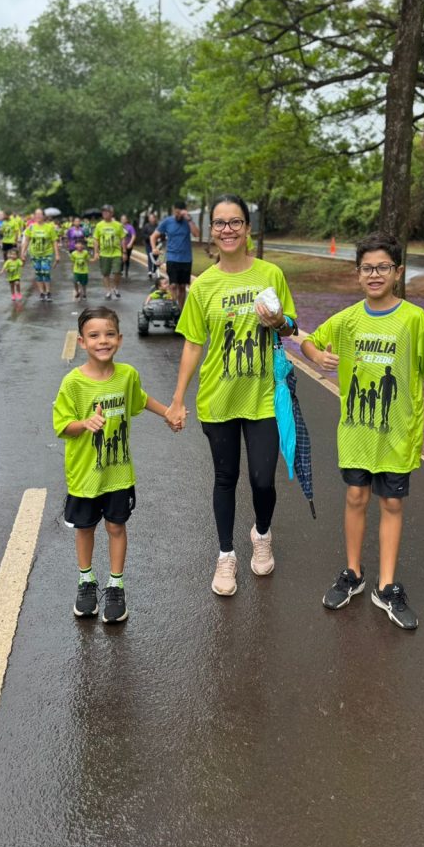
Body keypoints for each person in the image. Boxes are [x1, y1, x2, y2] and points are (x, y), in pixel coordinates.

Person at [301, 232, 424, 630]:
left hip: (397, 433)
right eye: (367, 267)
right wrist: (318, 354)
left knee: (391, 504)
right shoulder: (349, 318)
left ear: (398, 272)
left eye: (383, 267)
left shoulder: (413, 319)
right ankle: (353, 572)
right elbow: (309, 344)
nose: (374, 274)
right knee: (355, 496)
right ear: (357, 274)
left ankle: (386, 586)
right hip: (355, 432)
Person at [166, 193, 297, 598]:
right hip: (219, 399)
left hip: (262, 397)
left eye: (235, 222)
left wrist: (279, 321)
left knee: (262, 479)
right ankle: (226, 555)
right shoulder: (203, 286)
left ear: (247, 229)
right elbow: (191, 344)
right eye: (220, 223)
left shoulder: (271, 274)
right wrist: (177, 399)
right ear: (212, 232)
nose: (227, 229)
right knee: (226, 477)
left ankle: (261, 533)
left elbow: (290, 326)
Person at [52, 306, 178, 623]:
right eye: (94, 335)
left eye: (109, 334)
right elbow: (61, 425)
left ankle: (115, 584)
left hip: (118, 473)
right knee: (85, 527)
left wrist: (168, 412)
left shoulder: (127, 376)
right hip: (84, 476)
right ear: (82, 342)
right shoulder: (73, 384)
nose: (102, 341)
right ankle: (86, 581)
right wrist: (84, 423)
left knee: (116, 526)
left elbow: (141, 399)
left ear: (119, 339)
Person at [152, 200, 200, 310]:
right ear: (174, 211)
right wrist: (154, 248)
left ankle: (180, 311)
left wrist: (189, 220)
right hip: (172, 258)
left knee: (182, 286)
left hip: (186, 259)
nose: (177, 215)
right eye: (176, 212)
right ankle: (173, 309)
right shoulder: (167, 221)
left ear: (184, 212)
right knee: (173, 285)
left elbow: (197, 234)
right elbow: (153, 236)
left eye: (180, 213)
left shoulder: (188, 222)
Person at [21, 208, 60, 301]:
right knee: (38, 273)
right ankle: (42, 292)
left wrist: (57, 255)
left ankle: (48, 292)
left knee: (46, 272)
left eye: (40, 214)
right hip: (34, 254)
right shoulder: (30, 227)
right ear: (34, 216)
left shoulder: (50, 227)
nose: (38, 216)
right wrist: (23, 252)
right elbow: (26, 240)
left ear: (44, 216)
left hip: (47, 253)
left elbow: (54, 241)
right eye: (36, 214)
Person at [93, 204, 126, 300]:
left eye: (106, 211)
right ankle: (108, 291)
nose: (104, 213)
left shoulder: (118, 225)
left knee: (117, 272)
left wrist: (124, 252)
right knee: (105, 273)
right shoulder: (99, 225)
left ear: (112, 213)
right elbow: (96, 239)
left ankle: (115, 287)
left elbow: (122, 238)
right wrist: (96, 252)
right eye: (103, 211)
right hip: (104, 253)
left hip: (116, 253)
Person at [141, 211, 159, 277]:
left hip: (157, 244)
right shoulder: (146, 226)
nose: (151, 219)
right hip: (148, 244)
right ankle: (149, 271)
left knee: (155, 257)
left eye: (152, 218)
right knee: (150, 256)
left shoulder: (158, 226)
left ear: (155, 218)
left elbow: (162, 234)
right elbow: (143, 234)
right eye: (150, 218)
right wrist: (149, 237)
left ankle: (154, 269)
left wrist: (159, 238)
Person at [120, 214, 137, 279]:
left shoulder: (130, 227)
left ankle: (126, 271)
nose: (123, 220)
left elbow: (133, 235)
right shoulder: (119, 226)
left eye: (124, 219)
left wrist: (130, 243)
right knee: (120, 258)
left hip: (128, 245)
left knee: (127, 258)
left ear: (127, 220)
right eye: (122, 219)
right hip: (120, 245)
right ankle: (120, 270)